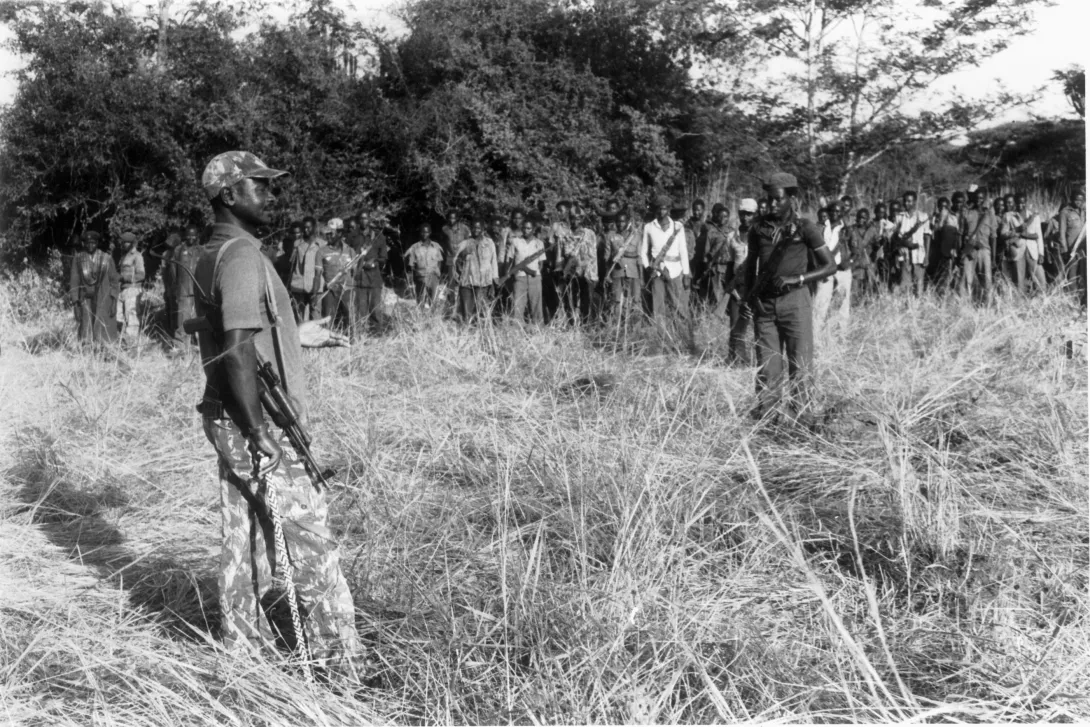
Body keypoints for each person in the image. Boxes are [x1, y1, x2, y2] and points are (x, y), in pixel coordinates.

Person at [191, 150, 360, 674]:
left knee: (242, 536)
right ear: (228, 194)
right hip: (255, 419)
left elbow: (240, 332)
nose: (270, 195)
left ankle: (244, 655)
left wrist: (294, 334)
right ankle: (340, 667)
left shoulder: (213, 253)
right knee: (309, 537)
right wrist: (259, 429)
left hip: (226, 412)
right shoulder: (243, 256)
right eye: (259, 185)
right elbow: (237, 348)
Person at [740, 172, 836, 423]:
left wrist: (797, 279)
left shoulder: (806, 227)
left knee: (800, 364)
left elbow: (830, 266)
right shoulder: (758, 228)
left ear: (792, 198)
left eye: (778, 199)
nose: (772, 204)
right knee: (767, 366)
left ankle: (801, 419)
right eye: (769, 199)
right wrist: (748, 299)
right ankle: (767, 419)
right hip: (764, 306)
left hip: (795, 302)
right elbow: (750, 267)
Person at [640, 194, 691, 321]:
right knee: (658, 307)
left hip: (675, 270)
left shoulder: (678, 226)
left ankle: (683, 331)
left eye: (664, 208)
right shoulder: (649, 227)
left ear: (669, 209)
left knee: (679, 305)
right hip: (657, 270)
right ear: (655, 210)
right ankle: (661, 332)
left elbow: (683, 251)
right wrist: (647, 267)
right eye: (659, 208)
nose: (662, 212)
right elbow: (643, 251)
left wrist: (686, 274)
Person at [69, 231, 120, 346]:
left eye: (93, 243)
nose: (90, 245)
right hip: (85, 297)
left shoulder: (107, 259)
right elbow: (74, 282)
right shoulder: (78, 259)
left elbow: (114, 282)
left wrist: (114, 302)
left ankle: (105, 348)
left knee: (104, 325)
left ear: (97, 243)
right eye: (87, 243)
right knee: (86, 324)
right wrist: (75, 303)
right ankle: (87, 348)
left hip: (103, 296)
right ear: (84, 243)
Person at [725, 198, 757, 364]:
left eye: (749, 214)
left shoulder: (760, 236)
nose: (745, 217)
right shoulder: (732, 236)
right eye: (743, 213)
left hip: (756, 285)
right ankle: (736, 360)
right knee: (736, 326)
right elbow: (730, 264)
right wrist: (731, 289)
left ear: (755, 215)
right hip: (738, 287)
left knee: (758, 325)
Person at [813, 203, 848, 339]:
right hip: (825, 269)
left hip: (842, 269)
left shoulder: (846, 229)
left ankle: (840, 335)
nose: (835, 213)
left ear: (842, 213)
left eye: (838, 211)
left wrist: (848, 261)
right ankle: (816, 335)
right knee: (820, 303)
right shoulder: (821, 227)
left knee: (842, 304)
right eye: (832, 210)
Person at [317, 220, 358, 337]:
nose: (328, 236)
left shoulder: (350, 250)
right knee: (327, 320)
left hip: (347, 290)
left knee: (350, 318)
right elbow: (318, 274)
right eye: (327, 234)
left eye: (331, 233)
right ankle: (327, 342)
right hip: (330, 290)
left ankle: (351, 342)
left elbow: (355, 273)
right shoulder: (321, 251)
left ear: (339, 233)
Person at [455, 218, 499, 322]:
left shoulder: (489, 243)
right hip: (467, 282)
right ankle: (466, 330)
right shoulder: (465, 243)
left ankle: (480, 331)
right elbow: (455, 261)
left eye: (478, 228)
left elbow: (493, 261)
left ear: (483, 229)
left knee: (481, 311)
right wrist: (463, 255)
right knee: (467, 313)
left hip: (483, 283)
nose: (476, 230)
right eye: (474, 227)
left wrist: (494, 279)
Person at [958, 190, 998, 302]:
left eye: (981, 198)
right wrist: (961, 251)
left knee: (987, 282)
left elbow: (993, 237)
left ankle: (987, 306)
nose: (978, 200)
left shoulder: (990, 214)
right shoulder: (967, 213)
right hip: (969, 251)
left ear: (984, 199)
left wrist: (993, 259)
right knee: (966, 281)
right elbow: (961, 234)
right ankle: (964, 306)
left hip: (984, 251)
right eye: (976, 198)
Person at [560, 213, 598, 322]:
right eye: (572, 218)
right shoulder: (566, 235)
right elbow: (565, 254)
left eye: (578, 219)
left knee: (586, 300)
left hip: (587, 273)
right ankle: (573, 323)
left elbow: (593, 254)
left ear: (582, 219)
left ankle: (586, 324)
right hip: (572, 273)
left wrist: (593, 274)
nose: (575, 221)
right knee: (571, 300)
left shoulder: (589, 234)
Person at [353, 213, 388, 335]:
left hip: (374, 278)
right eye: (361, 218)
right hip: (359, 278)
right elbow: (348, 256)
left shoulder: (378, 236)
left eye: (366, 218)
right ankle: (361, 335)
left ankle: (377, 334)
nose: (364, 220)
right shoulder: (353, 236)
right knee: (360, 310)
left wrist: (375, 261)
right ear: (358, 220)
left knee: (375, 308)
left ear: (369, 219)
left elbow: (384, 257)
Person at [506, 219, 545, 324]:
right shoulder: (516, 241)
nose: (526, 230)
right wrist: (511, 273)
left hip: (534, 278)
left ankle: (537, 327)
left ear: (533, 229)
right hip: (520, 277)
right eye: (524, 228)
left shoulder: (539, 243)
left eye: (529, 228)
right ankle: (516, 328)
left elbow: (541, 263)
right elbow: (510, 260)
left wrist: (535, 274)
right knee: (518, 304)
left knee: (536, 305)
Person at [892, 191, 930, 296]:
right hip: (904, 254)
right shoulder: (899, 217)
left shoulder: (923, 216)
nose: (906, 203)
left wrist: (926, 256)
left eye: (909, 201)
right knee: (905, 282)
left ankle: (918, 303)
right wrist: (902, 245)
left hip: (919, 254)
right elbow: (895, 236)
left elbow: (927, 237)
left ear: (915, 202)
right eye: (905, 201)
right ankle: (906, 303)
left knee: (919, 282)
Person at [604, 210, 642, 318]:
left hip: (633, 272)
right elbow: (606, 257)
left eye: (623, 221)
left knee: (634, 299)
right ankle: (616, 324)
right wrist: (607, 274)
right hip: (617, 272)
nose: (620, 224)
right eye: (618, 222)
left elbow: (639, 257)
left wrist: (641, 277)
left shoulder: (636, 235)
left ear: (628, 221)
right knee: (616, 300)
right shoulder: (610, 236)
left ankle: (632, 324)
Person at [288, 216, 324, 322]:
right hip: (299, 285)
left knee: (316, 316)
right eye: (304, 227)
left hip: (316, 286)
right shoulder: (297, 244)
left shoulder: (321, 244)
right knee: (298, 316)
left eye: (309, 227)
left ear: (314, 227)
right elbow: (292, 264)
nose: (306, 230)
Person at [702, 203, 735, 307]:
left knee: (729, 292)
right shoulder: (711, 232)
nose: (722, 219)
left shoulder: (733, 232)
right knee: (717, 294)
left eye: (725, 216)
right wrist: (707, 267)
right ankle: (718, 314)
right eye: (720, 216)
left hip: (730, 267)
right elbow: (706, 252)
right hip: (716, 268)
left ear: (728, 218)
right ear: (716, 216)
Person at [404, 222, 444, 307]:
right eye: (422, 232)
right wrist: (415, 277)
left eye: (426, 232)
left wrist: (437, 275)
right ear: (420, 233)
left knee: (433, 300)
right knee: (420, 300)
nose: (424, 234)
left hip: (433, 276)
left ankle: (432, 314)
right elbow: (411, 264)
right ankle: (421, 314)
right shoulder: (415, 247)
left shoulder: (436, 246)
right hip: (420, 277)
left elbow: (439, 261)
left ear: (430, 232)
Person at [116, 231, 145, 341]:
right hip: (123, 289)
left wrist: (124, 278)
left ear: (132, 243)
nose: (124, 245)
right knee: (120, 316)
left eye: (126, 242)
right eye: (123, 242)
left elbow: (141, 275)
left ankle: (131, 341)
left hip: (133, 289)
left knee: (132, 316)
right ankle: (122, 339)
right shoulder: (124, 256)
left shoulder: (137, 256)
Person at [848, 208, 880, 302]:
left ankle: (869, 302)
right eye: (859, 217)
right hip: (856, 261)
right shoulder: (851, 230)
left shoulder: (872, 230)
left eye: (864, 218)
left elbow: (878, 244)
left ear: (868, 219)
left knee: (870, 283)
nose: (861, 220)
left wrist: (875, 251)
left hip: (869, 261)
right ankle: (856, 303)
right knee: (856, 284)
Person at [930, 197, 960, 294]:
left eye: (945, 207)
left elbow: (954, 235)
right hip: (935, 249)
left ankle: (945, 293)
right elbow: (932, 231)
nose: (943, 209)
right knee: (935, 273)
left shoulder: (952, 218)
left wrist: (942, 219)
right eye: (941, 207)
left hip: (947, 251)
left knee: (946, 273)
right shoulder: (934, 218)